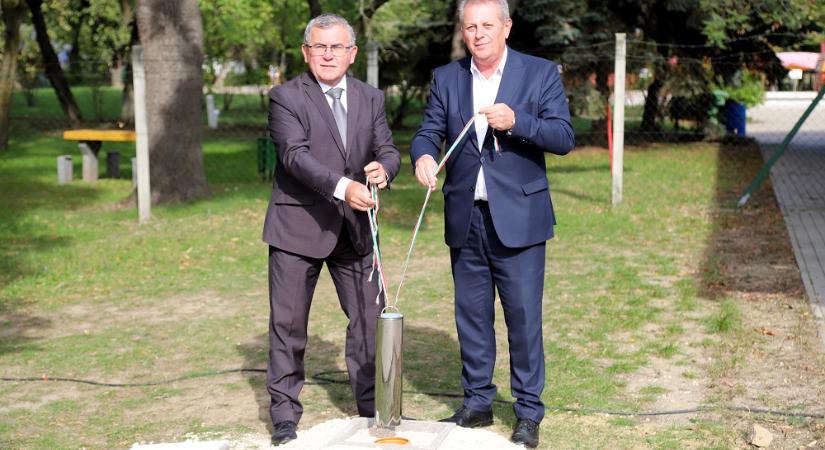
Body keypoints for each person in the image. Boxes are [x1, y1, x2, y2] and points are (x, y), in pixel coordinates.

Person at [409, 0, 575, 447]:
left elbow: (563, 137)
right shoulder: (447, 77)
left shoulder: (539, 73)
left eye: (487, 25)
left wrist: (518, 122)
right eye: (470, 26)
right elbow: (429, 131)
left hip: (520, 218)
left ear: (507, 27)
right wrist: (422, 156)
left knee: (523, 319)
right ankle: (478, 402)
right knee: (471, 316)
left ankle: (528, 412)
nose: (478, 33)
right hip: (466, 216)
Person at [262, 13, 401, 447]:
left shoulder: (371, 97)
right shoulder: (285, 97)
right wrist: (344, 187)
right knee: (288, 324)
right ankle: (285, 415)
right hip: (296, 228)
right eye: (319, 46)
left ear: (352, 53)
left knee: (369, 321)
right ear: (306, 52)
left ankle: (372, 409)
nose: (328, 54)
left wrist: (385, 170)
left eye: (336, 47)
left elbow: (388, 149)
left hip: (355, 230)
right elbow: (294, 156)